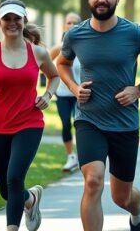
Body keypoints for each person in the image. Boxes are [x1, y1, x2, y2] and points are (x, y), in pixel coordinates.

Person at [56, 0, 140, 231]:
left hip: (124, 123)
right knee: (93, 181)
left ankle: (138, 209)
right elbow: (62, 63)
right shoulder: (76, 34)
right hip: (89, 118)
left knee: (122, 197)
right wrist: (74, 89)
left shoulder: (133, 33)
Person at [0, 0, 59, 231]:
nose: (12, 23)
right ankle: (30, 199)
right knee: (7, 190)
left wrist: (47, 96)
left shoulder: (38, 53)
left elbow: (54, 77)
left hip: (29, 123)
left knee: (15, 177)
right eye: (7, 18)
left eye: (17, 18)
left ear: (24, 21)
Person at [49, 12, 82, 172]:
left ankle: (84, 157)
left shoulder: (85, 47)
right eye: (69, 22)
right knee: (66, 125)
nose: (71, 25)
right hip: (62, 94)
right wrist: (50, 87)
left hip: (80, 94)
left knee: (81, 125)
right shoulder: (58, 48)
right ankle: (71, 157)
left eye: (75, 22)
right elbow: (45, 66)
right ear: (64, 25)